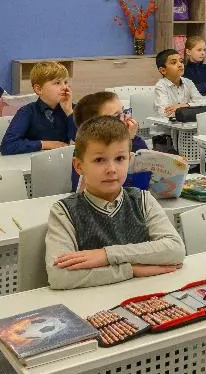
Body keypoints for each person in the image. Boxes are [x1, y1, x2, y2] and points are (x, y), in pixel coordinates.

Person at [45, 116, 185, 289]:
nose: (111, 169)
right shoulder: (64, 211)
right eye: (99, 160)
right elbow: (60, 276)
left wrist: (106, 255)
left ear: (129, 160)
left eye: (119, 159)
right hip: (95, 302)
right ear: (79, 166)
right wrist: (131, 270)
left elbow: (175, 249)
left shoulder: (142, 199)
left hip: (145, 294)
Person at [0, 61, 76, 154]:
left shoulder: (72, 109)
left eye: (65, 82)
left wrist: (69, 112)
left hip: (63, 159)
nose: (64, 87)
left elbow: (84, 141)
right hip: (33, 160)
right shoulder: (27, 112)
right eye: (57, 83)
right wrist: (45, 144)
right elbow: (7, 146)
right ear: (39, 89)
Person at [153, 48, 206, 117]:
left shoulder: (188, 82)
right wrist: (191, 109)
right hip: (167, 123)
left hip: (186, 122)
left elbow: (203, 103)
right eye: (174, 63)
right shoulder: (160, 86)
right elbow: (164, 112)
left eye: (181, 61)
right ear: (163, 70)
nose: (180, 65)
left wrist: (183, 105)